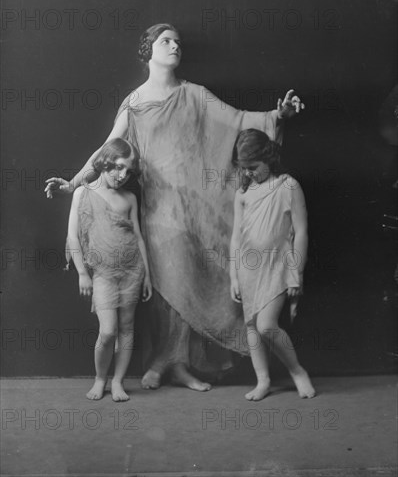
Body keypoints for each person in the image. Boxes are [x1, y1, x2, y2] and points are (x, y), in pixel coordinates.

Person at [46, 23, 304, 392]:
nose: (174, 47)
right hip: (156, 212)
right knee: (167, 288)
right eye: (165, 41)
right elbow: (107, 150)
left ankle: (181, 365)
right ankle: (163, 361)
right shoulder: (135, 103)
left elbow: (237, 119)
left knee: (192, 282)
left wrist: (278, 116)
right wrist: (73, 183)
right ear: (147, 50)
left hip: (197, 208)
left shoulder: (194, 94)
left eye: (178, 43)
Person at [230, 129, 315, 400]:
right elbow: (235, 238)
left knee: (267, 325)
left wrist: (297, 272)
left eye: (253, 167)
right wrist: (233, 275)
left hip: (278, 264)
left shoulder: (288, 186)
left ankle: (297, 371)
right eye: (244, 169)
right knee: (253, 327)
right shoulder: (242, 194)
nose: (249, 173)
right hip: (248, 268)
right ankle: (263, 380)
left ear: (268, 157)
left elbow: (300, 232)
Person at [67, 138, 152, 401]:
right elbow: (73, 237)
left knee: (127, 328)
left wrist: (147, 274)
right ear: (104, 163)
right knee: (108, 332)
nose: (122, 175)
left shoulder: (129, 197)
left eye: (128, 170)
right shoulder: (83, 193)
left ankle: (118, 381)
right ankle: (100, 379)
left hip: (132, 270)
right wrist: (82, 272)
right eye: (117, 167)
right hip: (103, 272)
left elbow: (138, 237)